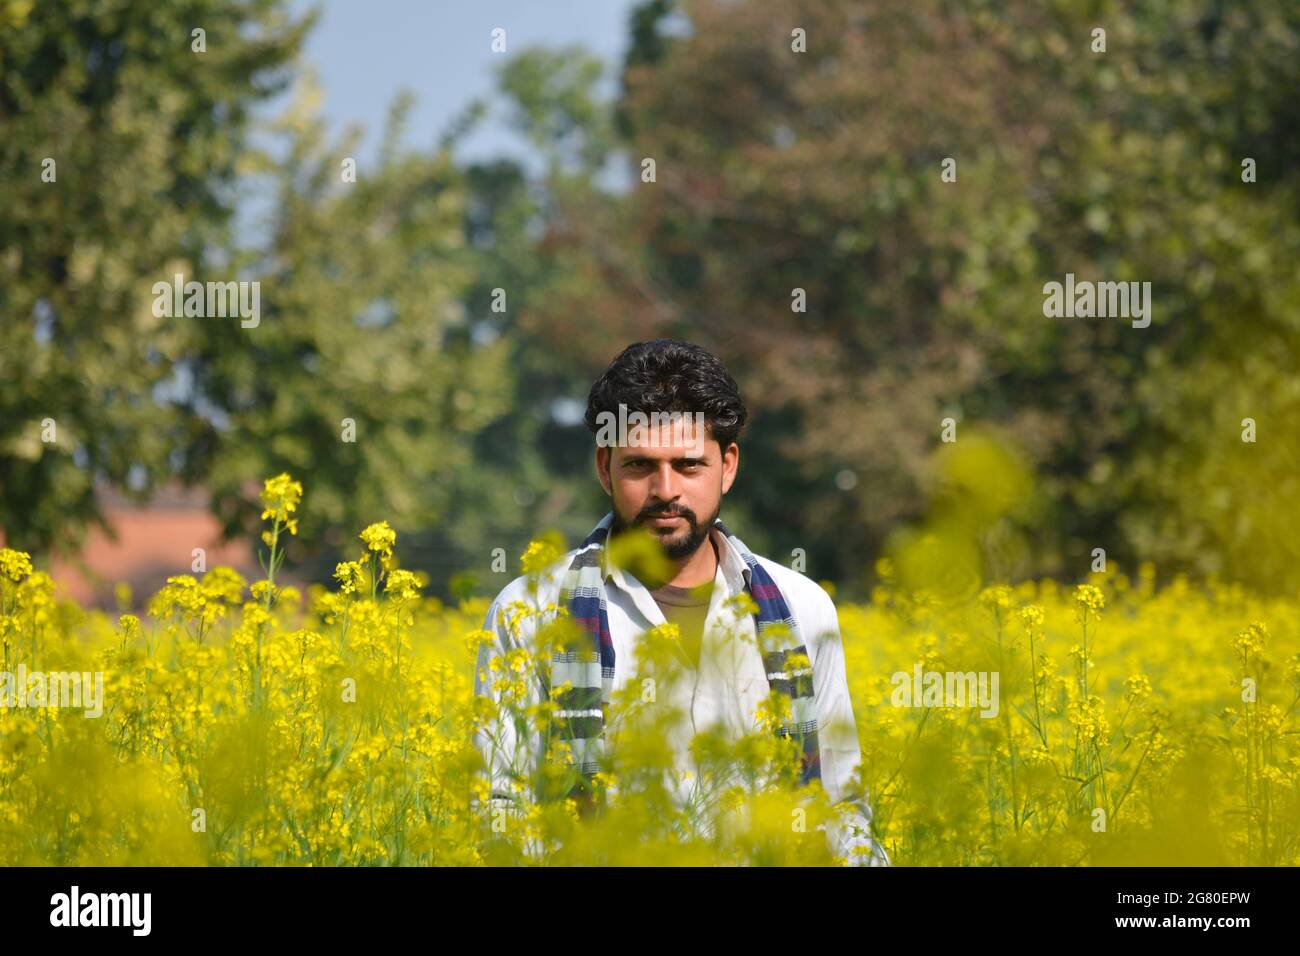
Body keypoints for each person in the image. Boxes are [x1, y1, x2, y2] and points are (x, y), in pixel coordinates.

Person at [473, 339, 890, 865]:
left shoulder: (803, 610)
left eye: (690, 465)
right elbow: (503, 813)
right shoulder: (529, 613)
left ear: (728, 467)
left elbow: (842, 811)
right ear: (605, 468)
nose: (665, 490)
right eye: (640, 465)